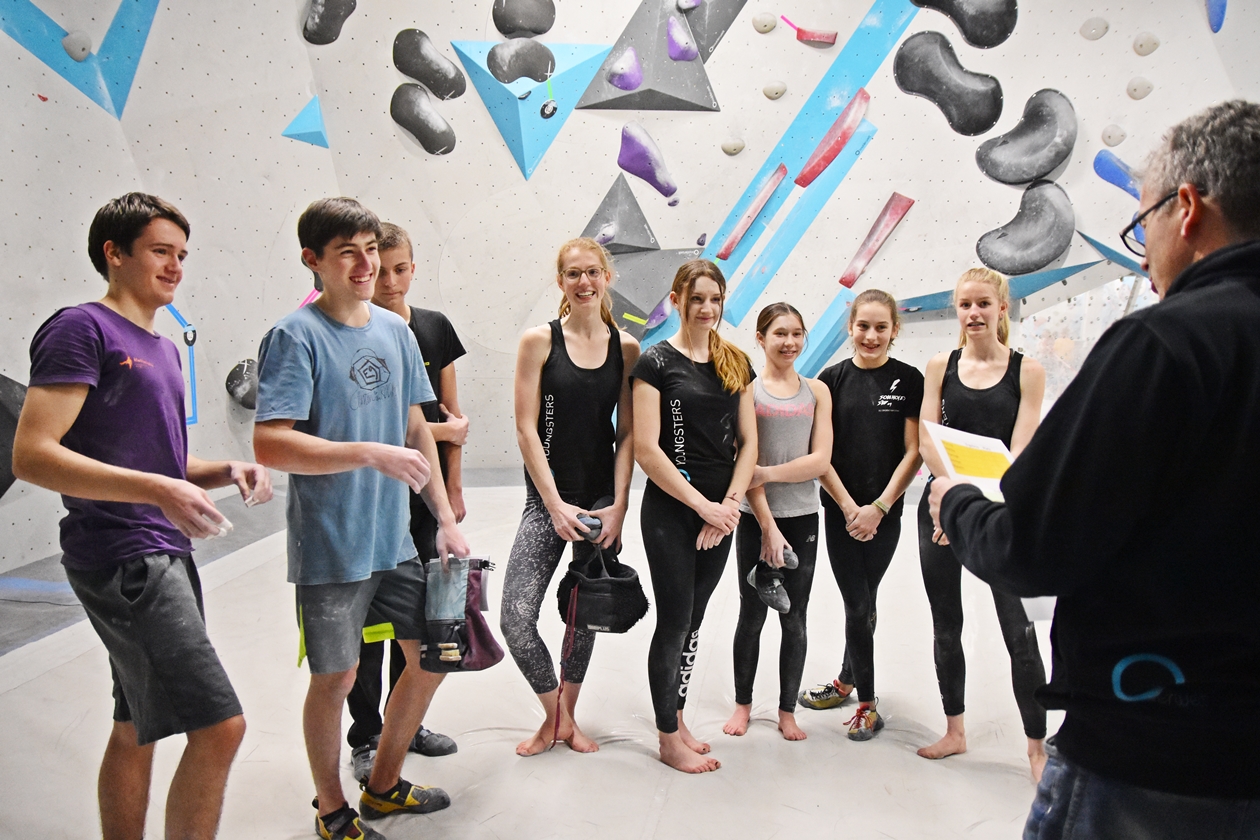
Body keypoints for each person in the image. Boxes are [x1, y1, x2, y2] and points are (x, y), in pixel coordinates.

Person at [930, 100, 1260, 839]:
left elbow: (1034, 547)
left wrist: (956, 502)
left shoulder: (1166, 346)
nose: (1146, 252)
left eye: (1144, 225)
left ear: (1188, 208)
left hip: (1157, 751)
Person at [11, 193, 272, 840]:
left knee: (135, 725)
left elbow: (159, 460)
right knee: (220, 726)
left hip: (162, 550)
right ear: (114, 252)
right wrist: (158, 491)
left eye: (182, 255)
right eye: (160, 251)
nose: (176, 266)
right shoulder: (81, 328)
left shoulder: (158, 345)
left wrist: (222, 471)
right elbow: (33, 456)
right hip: (123, 554)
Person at [252, 198, 470, 840]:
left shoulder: (396, 331)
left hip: (396, 541)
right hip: (331, 547)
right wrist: (364, 452)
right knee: (337, 677)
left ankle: (382, 787)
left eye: (371, 249)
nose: (366, 263)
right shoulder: (294, 336)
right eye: (347, 251)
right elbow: (270, 443)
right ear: (312, 261)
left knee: (430, 657)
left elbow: (414, 428)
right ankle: (331, 809)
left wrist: (443, 516)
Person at [500, 237, 639, 756]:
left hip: (600, 501)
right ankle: (554, 716)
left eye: (593, 273)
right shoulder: (538, 341)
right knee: (516, 618)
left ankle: (566, 720)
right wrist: (554, 504)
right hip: (547, 500)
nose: (584, 282)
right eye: (573, 274)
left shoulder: (625, 349)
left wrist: (619, 505)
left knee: (585, 614)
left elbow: (627, 433)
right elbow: (526, 428)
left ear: (607, 278)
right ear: (560, 282)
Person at [345, 222, 467, 783]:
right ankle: (366, 735)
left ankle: (404, 724)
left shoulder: (434, 328)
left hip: (424, 497)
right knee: (368, 630)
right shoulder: (359, 330)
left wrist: (453, 491)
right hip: (372, 499)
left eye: (400, 268)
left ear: (414, 269)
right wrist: (439, 432)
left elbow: (452, 419)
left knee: (416, 622)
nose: (389, 279)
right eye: (380, 266)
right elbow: (403, 425)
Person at [917, 267, 1049, 779]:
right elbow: (929, 438)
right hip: (941, 507)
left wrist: (976, 511)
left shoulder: (1027, 370)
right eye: (965, 305)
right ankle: (955, 730)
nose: (973, 314)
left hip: (1002, 512)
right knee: (946, 626)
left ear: (1001, 308)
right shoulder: (939, 365)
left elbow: (1020, 453)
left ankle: (1036, 748)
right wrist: (951, 505)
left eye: (982, 304)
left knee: (1019, 633)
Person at [631, 259, 757, 773]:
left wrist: (728, 506)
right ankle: (666, 739)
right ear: (677, 300)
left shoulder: (735, 362)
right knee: (675, 620)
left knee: (696, 621)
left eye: (716, 299)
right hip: (672, 512)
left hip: (721, 515)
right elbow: (646, 448)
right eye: (698, 298)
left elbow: (749, 445)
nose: (707, 308)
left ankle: (675, 717)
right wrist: (702, 505)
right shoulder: (656, 362)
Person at [798, 290, 924, 741]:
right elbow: (821, 454)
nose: (871, 336)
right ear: (850, 327)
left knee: (865, 601)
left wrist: (880, 507)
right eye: (863, 326)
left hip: (885, 514)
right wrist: (851, 507)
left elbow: (914, 453)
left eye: (881, 327)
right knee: (858, 603)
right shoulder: (829, 381)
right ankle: (865, 699)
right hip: (840, 512)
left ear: (894, 330)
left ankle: (850, 684)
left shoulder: (909, 380)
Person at [720, 303, 832, 742]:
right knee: (751, 615)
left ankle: (787, 709)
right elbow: (745, 459)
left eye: (797, 334)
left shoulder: (817, 391)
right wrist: (767, 525)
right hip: (755, 518)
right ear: (761, 339)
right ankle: (743, 703)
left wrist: (766, 473)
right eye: (780, 333)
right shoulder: (748, 392)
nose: (790, 342)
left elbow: (820, 459)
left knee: (795, 618)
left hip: (804, 516)